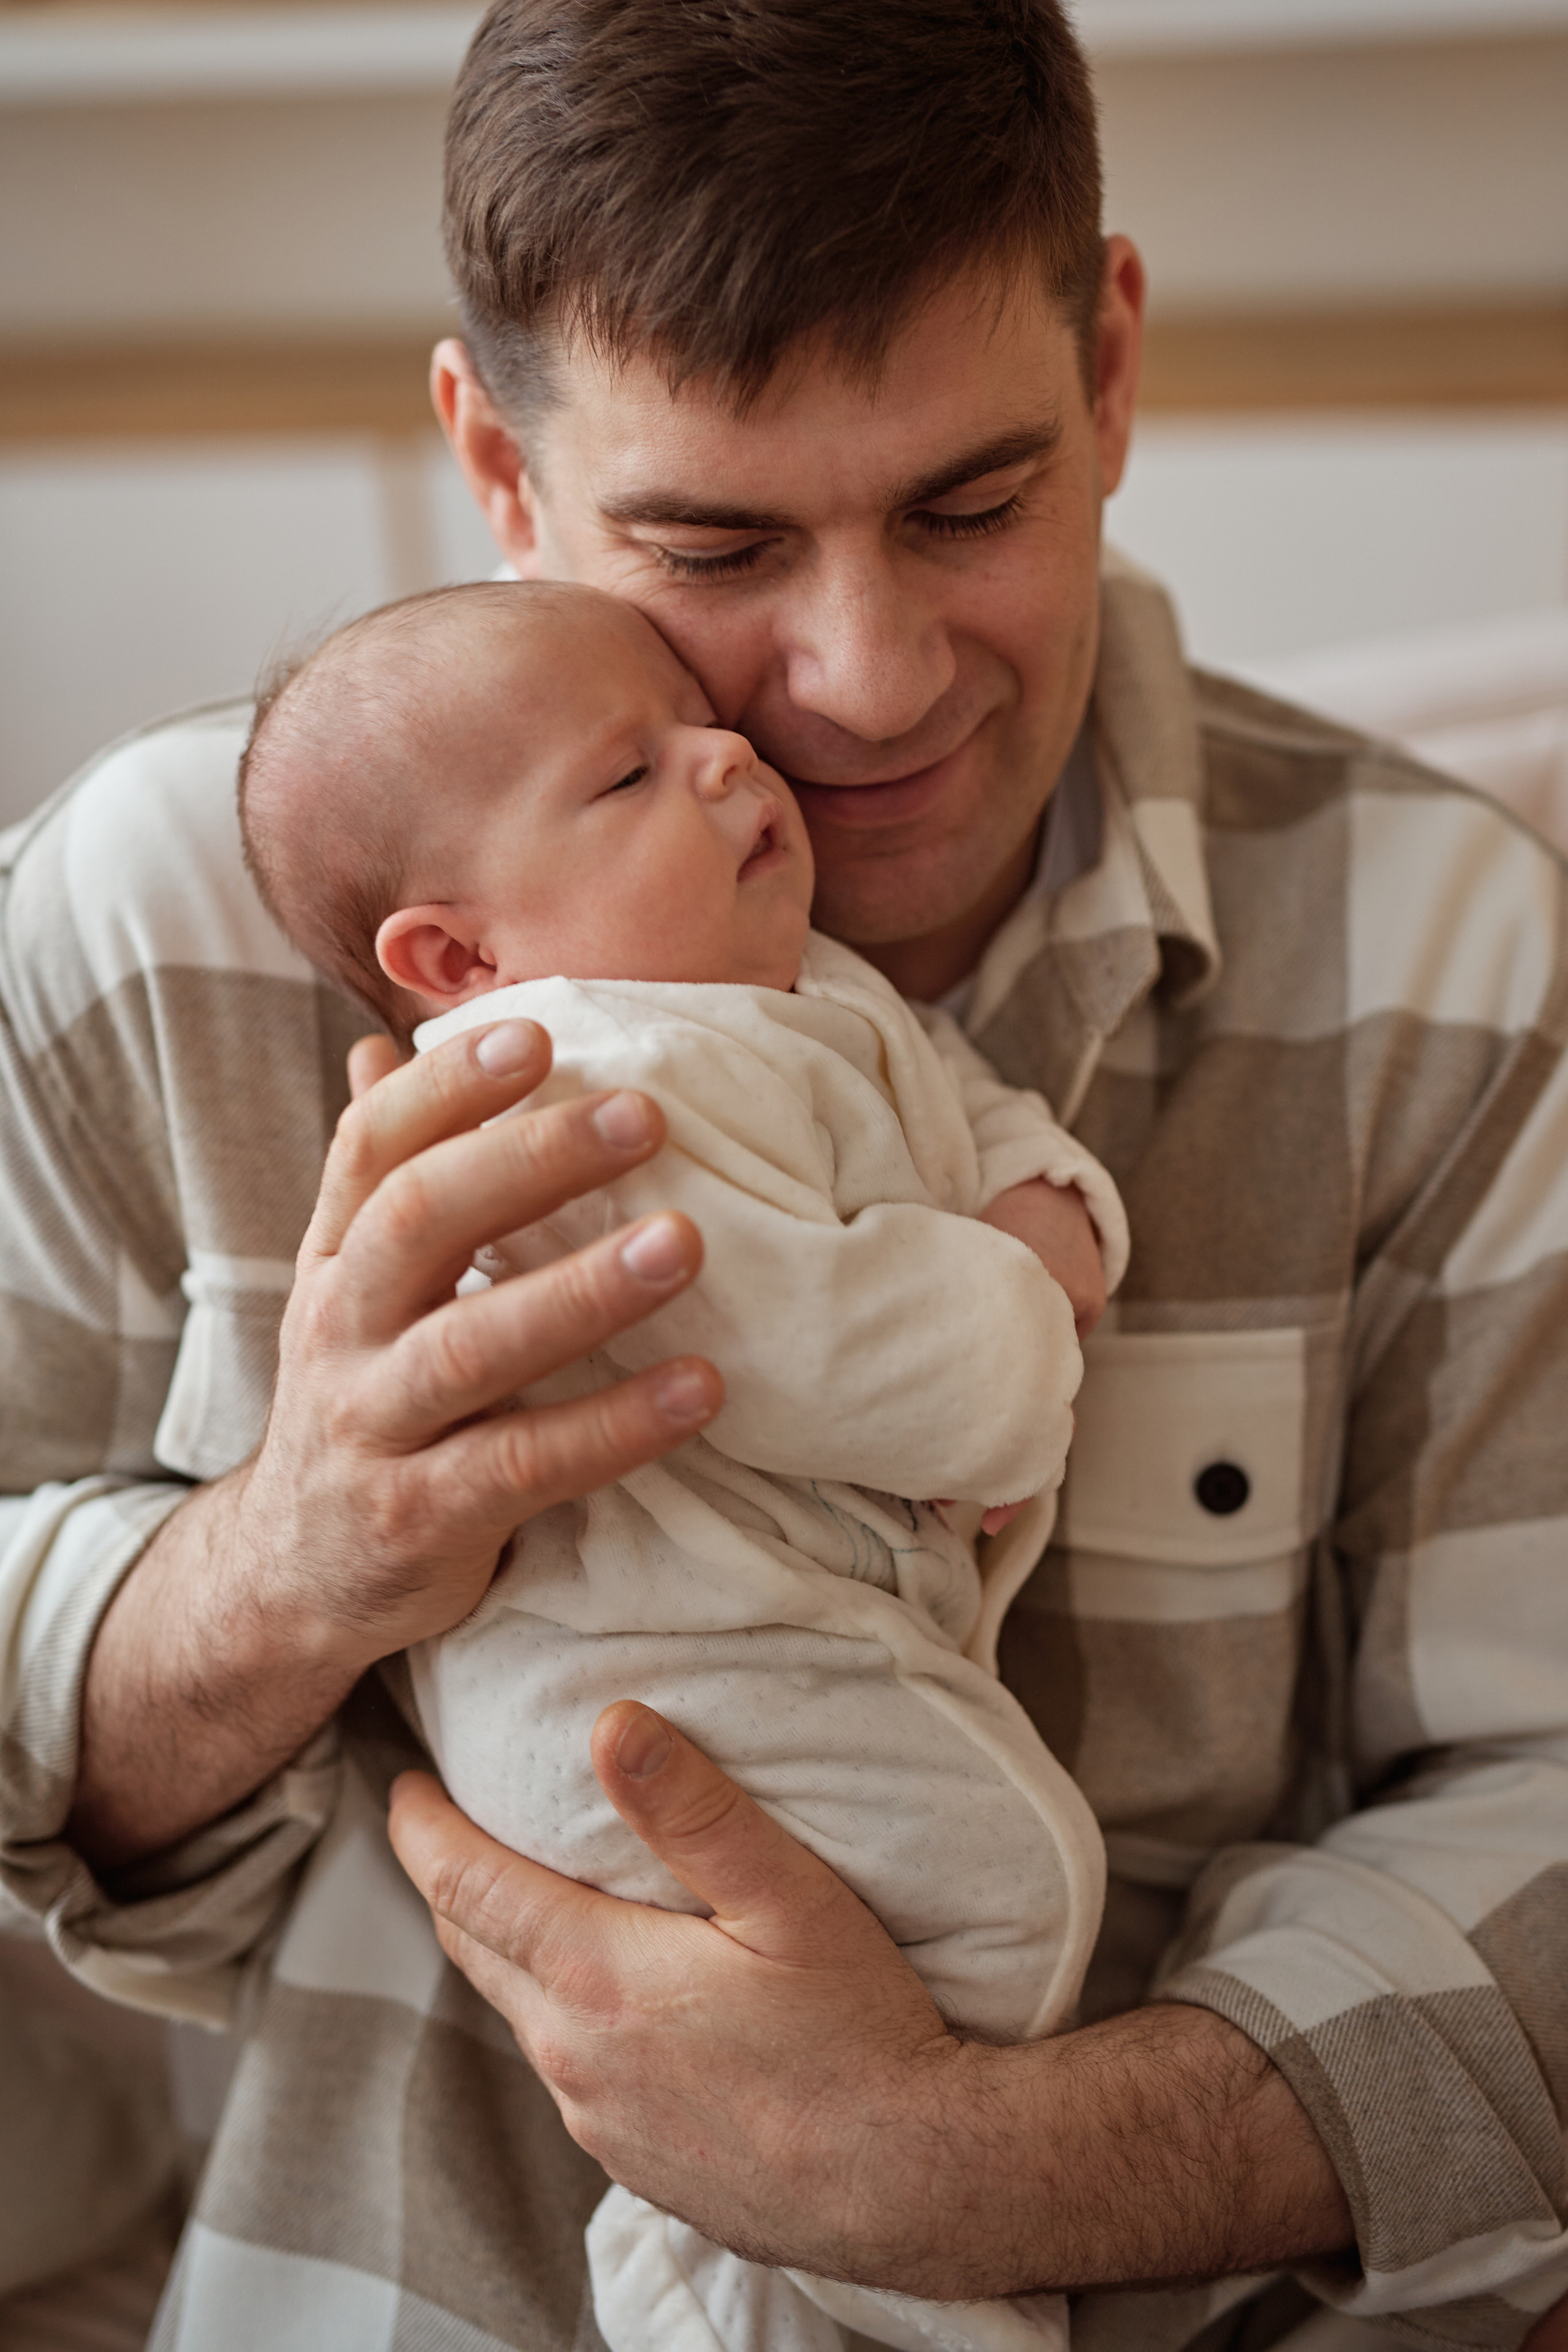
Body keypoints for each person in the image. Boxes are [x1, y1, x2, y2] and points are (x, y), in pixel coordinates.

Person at [1, 3, 1564, 2349]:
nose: (858, 684)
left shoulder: (1450, 957)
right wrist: (283, 1559)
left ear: (1112, 368)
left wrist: (955, 2176)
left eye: (972, 505)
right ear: (495, 467)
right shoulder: (163, 913)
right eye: (714, 542)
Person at [238, 572, 1127, 2350]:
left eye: (699, 730)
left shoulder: (780, 994)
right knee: (1010, 1887)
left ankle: (777, 2266)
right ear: (461, 959)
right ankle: (770, 2291)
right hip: (642, 1696)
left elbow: (945, 1103)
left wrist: (1047, 1192)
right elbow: (787, 1337)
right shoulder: (573, 1085)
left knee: (947, 1952)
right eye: (629, 778)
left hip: (760, 1654)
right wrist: (1025, 1307)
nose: (732, 763)